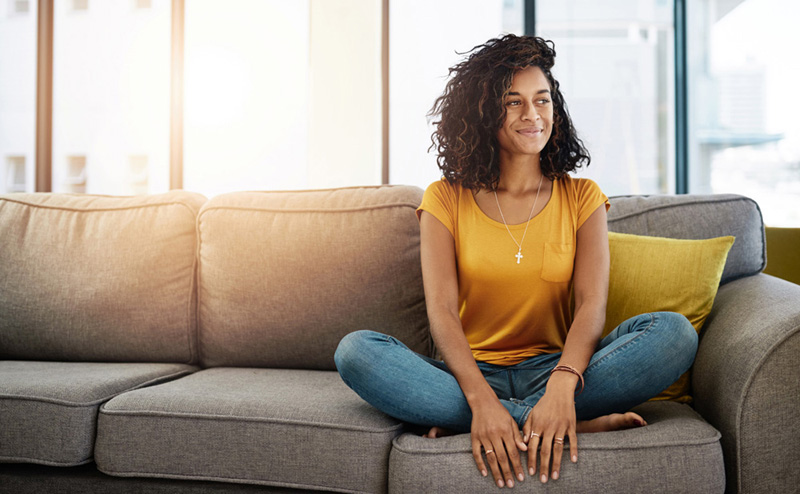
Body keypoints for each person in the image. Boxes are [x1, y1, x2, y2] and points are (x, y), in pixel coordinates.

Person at [334, 34, 697, 489]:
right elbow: (442, 311)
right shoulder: (445, 197)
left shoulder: (581, 196)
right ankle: (551, 423)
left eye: (541, 100)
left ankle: (522, 418)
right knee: (356, 352)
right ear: (485, 114)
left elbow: (590, 305)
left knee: (673, 334)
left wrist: (563, 386)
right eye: (514, 103)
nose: (532, 115)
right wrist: (480, 399)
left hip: (561, 367)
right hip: (467, 375)